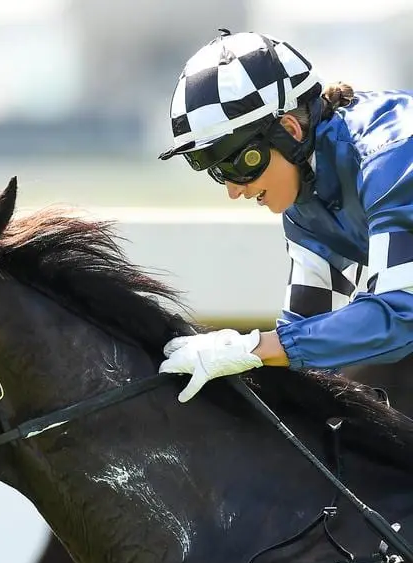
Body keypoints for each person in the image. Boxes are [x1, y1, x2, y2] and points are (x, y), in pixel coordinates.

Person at [156, 29, 413, 403]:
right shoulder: (307, 200)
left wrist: (252, 347)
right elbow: (307, 344)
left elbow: (400, 316)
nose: (234, 190)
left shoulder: (393, 158)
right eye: (217, 172)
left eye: (240, 164)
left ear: (290, 131)